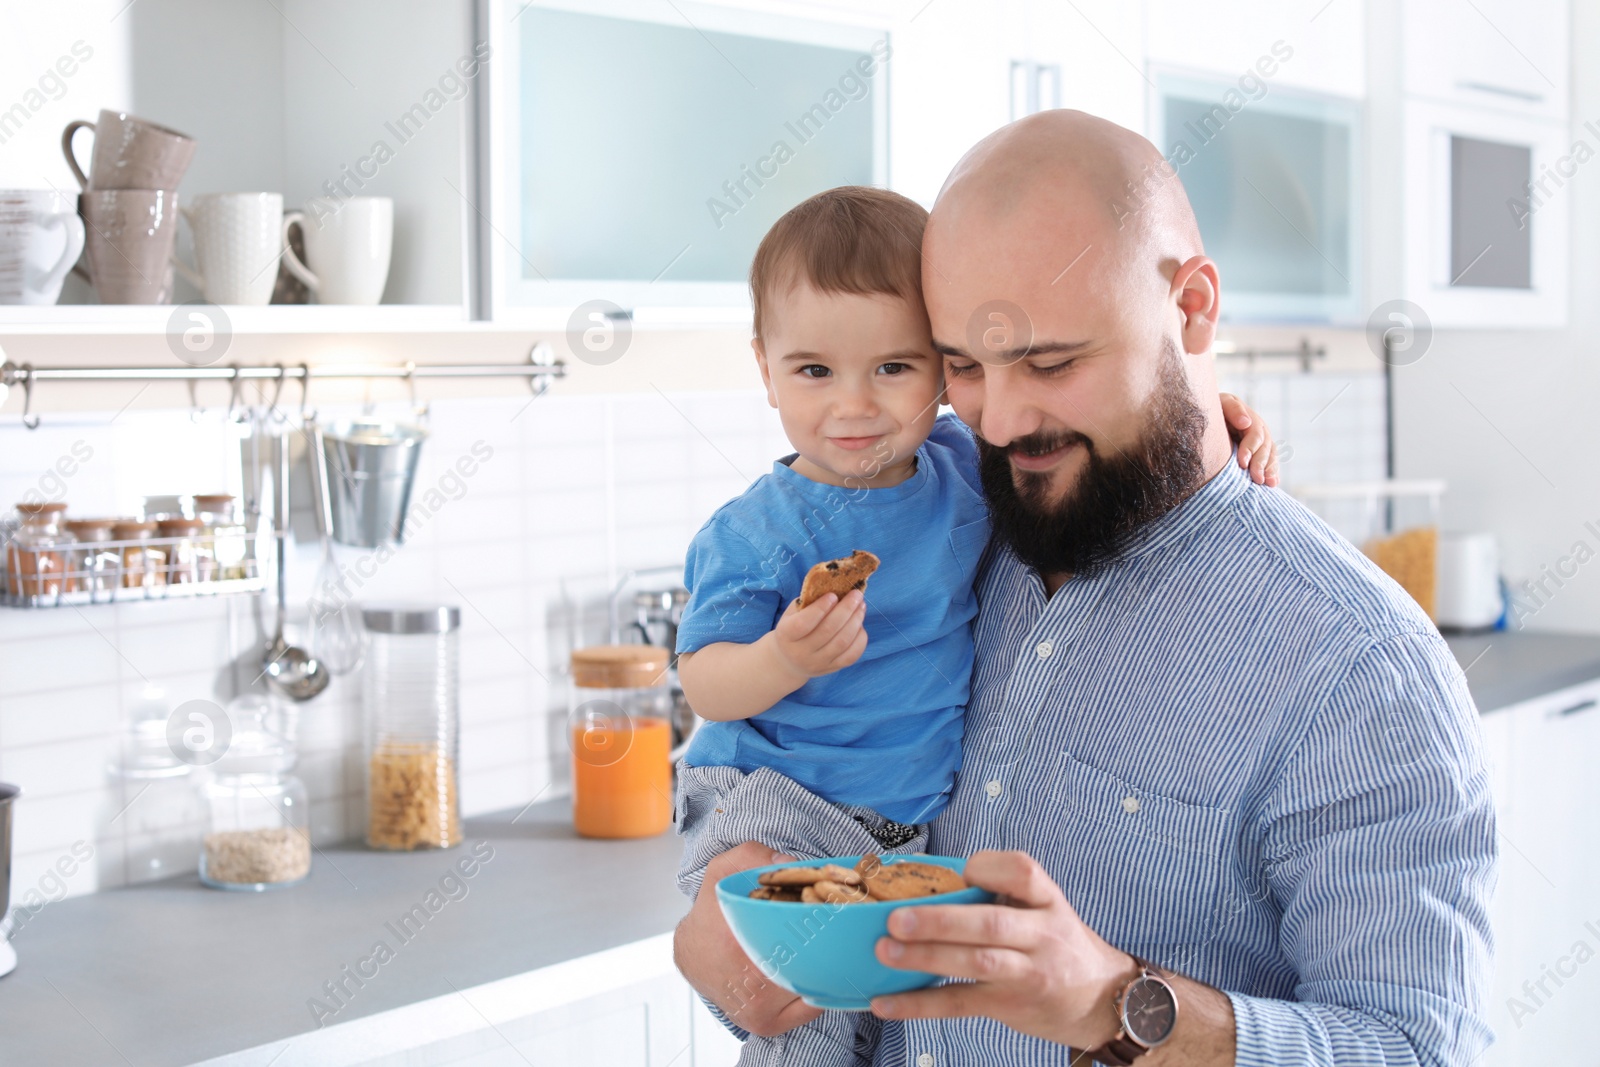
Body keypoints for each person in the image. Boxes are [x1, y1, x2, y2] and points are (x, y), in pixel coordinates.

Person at [673, 111, 1496, 1067]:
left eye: (1053, 362)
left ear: (1190, 310)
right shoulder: (963, 521)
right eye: (964, 368)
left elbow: (1415, 1050)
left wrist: (1117, 1005)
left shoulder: (1355, 666)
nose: (1008, 417)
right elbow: (773, 757)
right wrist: (716, 926)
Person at [671, 184, 1277, 1066]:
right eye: (814, 371)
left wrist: (1208, 412)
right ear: (765, 369)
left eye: (894, 368)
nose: (855, 406)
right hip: (780, 804)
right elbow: (704, 681)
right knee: (804, 1030)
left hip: (895, 826)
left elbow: (1094, 443)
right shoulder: (758, 532)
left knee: (876, 1010)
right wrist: (781, 657)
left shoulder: (960, 466)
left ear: (942, 374)